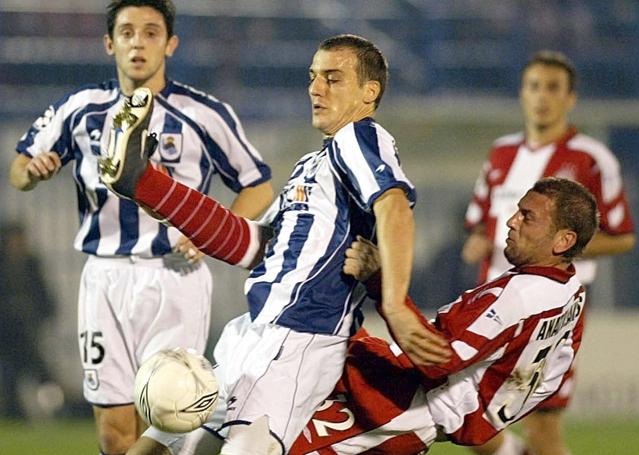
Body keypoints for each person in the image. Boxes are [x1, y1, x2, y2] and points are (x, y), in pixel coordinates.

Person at [100, 34, 448, 454]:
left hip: (302, 337)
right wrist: (154, 192)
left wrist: (393, 303)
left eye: (333, 79)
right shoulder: (313, 164)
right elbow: (252, 245)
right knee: (160, 445)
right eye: (313, 77)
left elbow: (394, 207)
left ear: (369, 92)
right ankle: (142, 179)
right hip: (254, 330)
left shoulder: (359, 138)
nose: (315, 89)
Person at [8, 1, 273, 453]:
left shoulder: (205, 114)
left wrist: (210, 234)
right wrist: (34, 171)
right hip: (103, 277)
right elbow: (18, 169)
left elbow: (258, 187)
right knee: (114, 432)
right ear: (110, 43)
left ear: (170, 44)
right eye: (127, 32)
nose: (138, 42)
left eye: (151, 32)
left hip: (174, 275)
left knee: (171, 415)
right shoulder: (81, 108)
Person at [288, 177, 598, 454]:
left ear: (563, 240)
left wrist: (380, 280)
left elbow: (439, 359)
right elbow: (552, 374)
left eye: (527, 217)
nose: (511, 221)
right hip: (412, 418)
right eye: (518, 210)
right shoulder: (570, 290)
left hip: (398, 409)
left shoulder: (520, 296)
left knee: (270, 437)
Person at [461, 51, 636, 455]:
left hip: (550, 313)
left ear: (570, 98)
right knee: (464, 420)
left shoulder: (590, 159)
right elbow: (481, 218)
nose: (542, 96)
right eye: (534, 86)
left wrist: (562, 246)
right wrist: (480, 240)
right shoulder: (501, 154)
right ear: (522, 94)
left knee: (543, 430)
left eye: (553, 88)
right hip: (494, 305)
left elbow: (623, 236)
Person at [0, 221, 57, 419]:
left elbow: (45, 298)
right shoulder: (3, 265)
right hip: (5, 334)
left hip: (28, 333)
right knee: (10, 376)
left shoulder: (32, 264)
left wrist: (33, 314)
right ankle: (13, 411)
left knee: (41, 374)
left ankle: (54, 410)